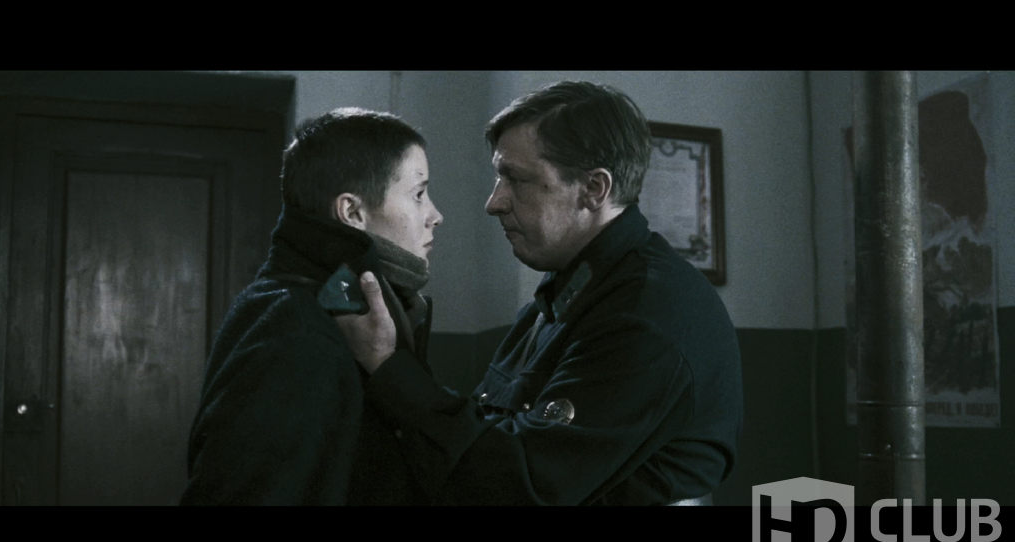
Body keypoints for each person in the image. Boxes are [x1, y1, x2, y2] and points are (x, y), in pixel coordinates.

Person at [337, 81, 743, 505]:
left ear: (594, 189)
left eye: (516, 179)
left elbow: (520, 483)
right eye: (499, 177)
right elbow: (487, 437)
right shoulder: (565, 295)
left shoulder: (646, 311)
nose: (494, 202)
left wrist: (389, 367)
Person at [181, 108, 442, 505]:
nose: (435, 216)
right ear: (352, 212)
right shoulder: (296, 331)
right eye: (419, 194)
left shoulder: (337, 310)